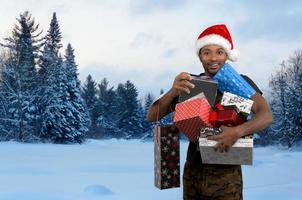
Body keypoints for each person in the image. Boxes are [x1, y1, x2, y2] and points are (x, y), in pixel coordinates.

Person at [146, 24, 273, 200]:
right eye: (207, 52)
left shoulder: (241, 83)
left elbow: (266, 115)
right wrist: (173, 91)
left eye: (219, 52)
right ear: (200, 56)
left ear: (227, 55)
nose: (213, 58)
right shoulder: (191, 83)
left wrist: (237, 131)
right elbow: (152, 116)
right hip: (193, 174)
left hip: (226, 177)